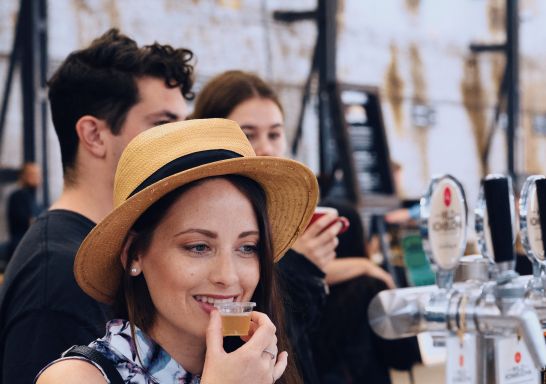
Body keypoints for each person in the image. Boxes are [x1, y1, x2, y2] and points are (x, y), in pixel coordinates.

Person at [36, 118, 316, 383]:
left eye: (247, 247)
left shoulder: (262, 368)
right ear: (134, 254)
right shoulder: (78, 377)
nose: (227, 276)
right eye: (198, 247)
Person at [0, 28, 194, 384]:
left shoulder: (100, 252)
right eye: (163, 125)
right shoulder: (59, 275)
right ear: (94, 135)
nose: (182, 142)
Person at [190, 70, 409, 383]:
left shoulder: (308, 211)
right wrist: (305, 263)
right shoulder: (200, 213)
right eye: (249, 134)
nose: (265, 147)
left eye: (275, 134)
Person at [6, 162, 43, 261]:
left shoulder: (33, 198)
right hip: (21, 249)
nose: (38, 177)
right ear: (23, 176)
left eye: (38, 174)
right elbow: (31, 223)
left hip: (28, 248)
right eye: (33, 174)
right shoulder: (19, 196)